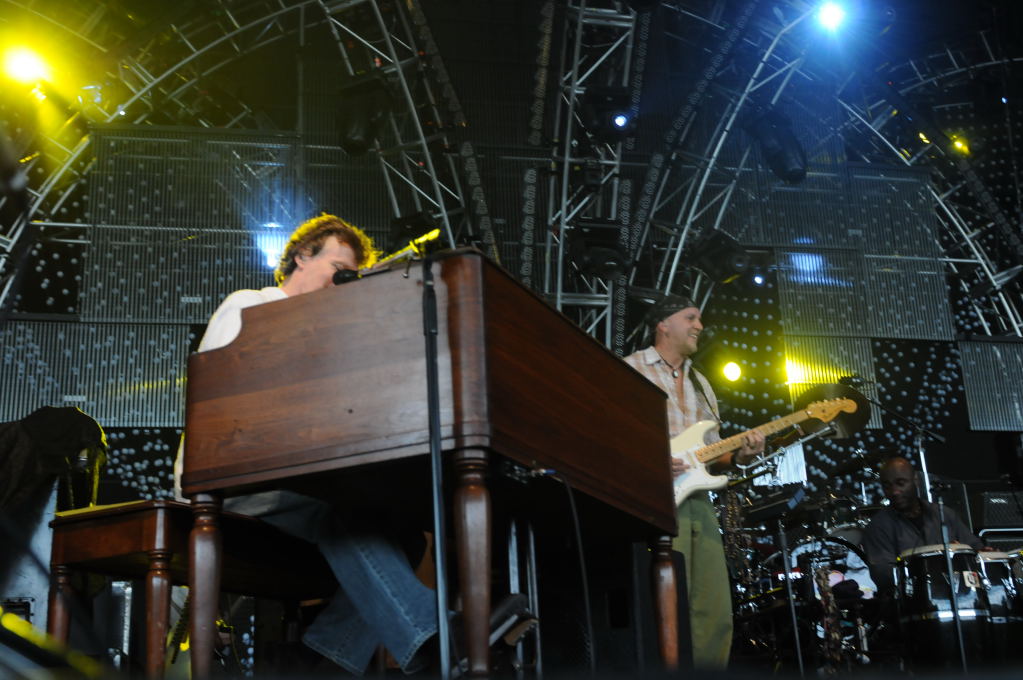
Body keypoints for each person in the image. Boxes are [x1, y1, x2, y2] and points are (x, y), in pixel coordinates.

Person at [174, 214, 531, 675]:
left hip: (289, 484)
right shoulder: (251, 304)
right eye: (338, 269)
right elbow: (219, 403)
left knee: (404, 535)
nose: (342, 283)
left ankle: (325, 659)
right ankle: (435, 637)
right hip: (227, 482)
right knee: (341, 514)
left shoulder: (328, 335)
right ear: (302, 256)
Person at [624, 295, 765, 669]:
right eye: (690, 318)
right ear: (663, 324)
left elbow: (713, 455)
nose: (699, 326)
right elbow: (611, 432)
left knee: (713, 609)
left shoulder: (701, 383)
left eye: (699, 319)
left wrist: (741, 456)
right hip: (652, 496)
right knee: (662, 606)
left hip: (699, 502)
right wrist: (648, 458)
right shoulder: (631, 369)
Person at [860, 456, 988, 594]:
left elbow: (976, 550)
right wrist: (940, 562)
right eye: (887, 486)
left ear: (915, 481)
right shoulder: (877, 527)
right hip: (913, 601)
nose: (894, 491)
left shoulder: (944, 514)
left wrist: (982, 553)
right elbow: (885, 577)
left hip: (962, 595)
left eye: (901, 483)